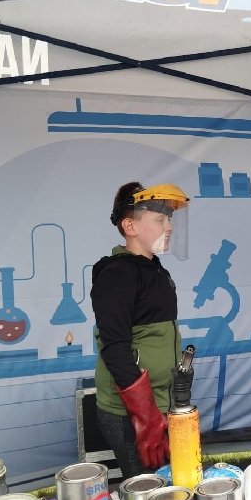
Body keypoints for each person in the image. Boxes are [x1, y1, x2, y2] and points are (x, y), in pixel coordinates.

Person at [91, 181, 189, 479]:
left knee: (170, 484)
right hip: (129, 413)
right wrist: (145, 416)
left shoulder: (155, 270)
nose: (169, 226)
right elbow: (115, 349)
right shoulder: (118, 273)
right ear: (130, 226)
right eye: (160, 219)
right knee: (146, 492)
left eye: (169, 219)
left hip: (158, 406)